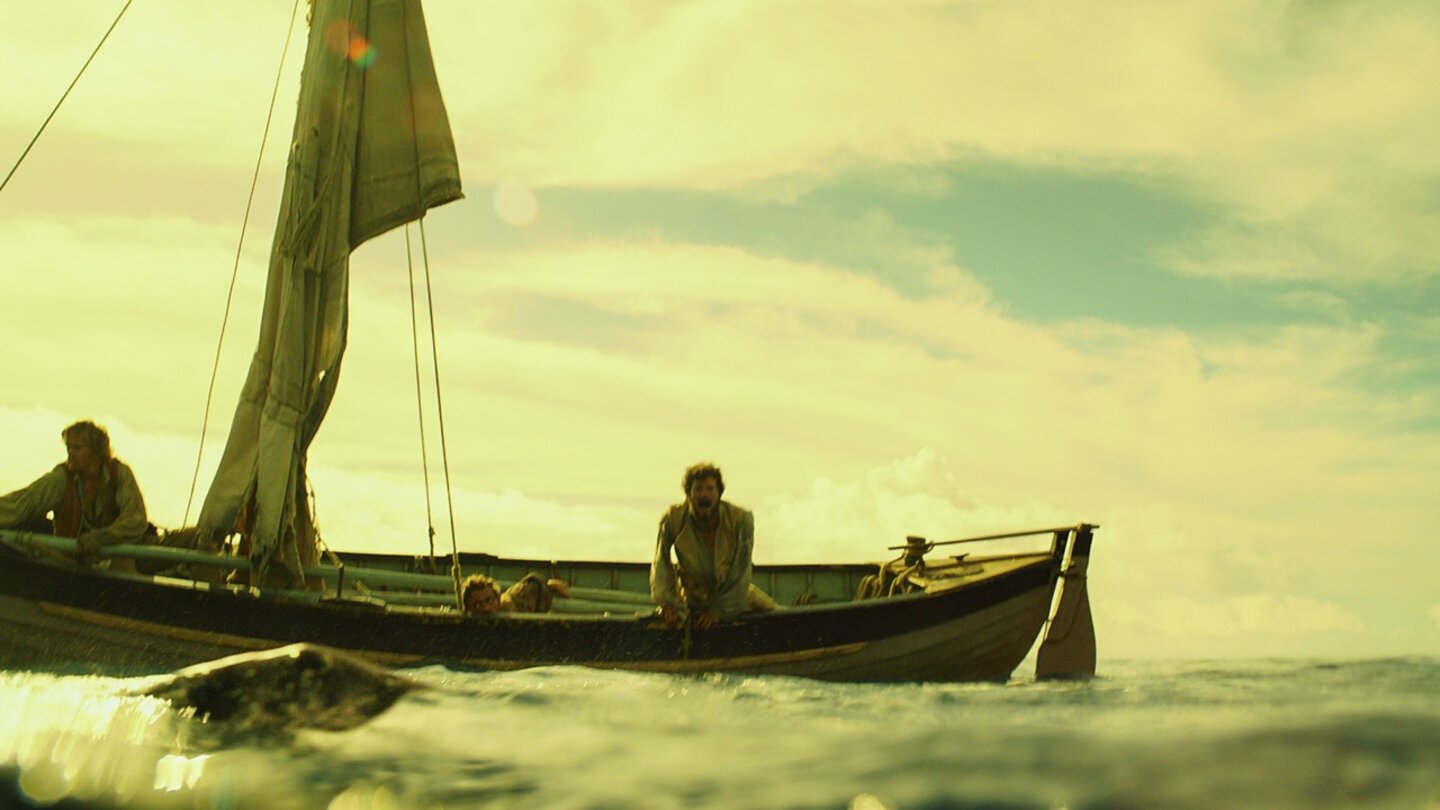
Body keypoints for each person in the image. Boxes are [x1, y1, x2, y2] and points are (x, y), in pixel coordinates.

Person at [0, 420, 150, 560]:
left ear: (97, 451)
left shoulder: (119, 474)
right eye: (68, 447)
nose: (71, 453)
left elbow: (135, 519)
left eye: (77, 448)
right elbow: (24, 501)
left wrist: (99, 539)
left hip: (116, 557)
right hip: (69, 558)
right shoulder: (62, 477)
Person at [650, 461, 774, 629]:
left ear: (719, 493)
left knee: (777, 616)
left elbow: (741, 571)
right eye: (698, 489)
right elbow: (661, 564)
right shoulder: (673, 519)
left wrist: (718, 612)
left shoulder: (739, 519)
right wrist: (669, 604)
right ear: (689, 494)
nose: (704, 495)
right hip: (694, 599)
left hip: (736, 597)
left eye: (710, 489)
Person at [461, 572, 573, 615]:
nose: (486, 608)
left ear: (497, 598)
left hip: (531, 591)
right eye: (477, 605)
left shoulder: (512, 608)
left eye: (489, 600)